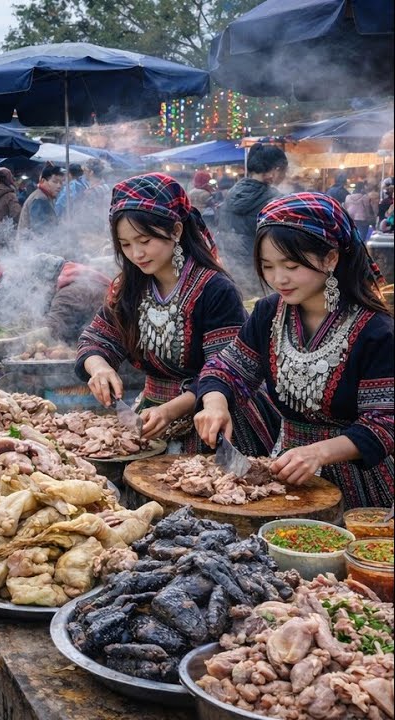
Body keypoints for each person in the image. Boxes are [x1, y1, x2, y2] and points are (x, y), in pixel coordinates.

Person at [196, 193, 392, 510]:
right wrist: (215, 403)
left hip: (361, 489)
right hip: (284, 476)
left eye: (291, 265)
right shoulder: (269, 312)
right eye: (268, 266)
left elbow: (384, 423)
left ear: (330, 258)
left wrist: (319, 452)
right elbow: (227, 370)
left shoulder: (376, 331)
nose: (278, 279)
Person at [77, 173, 278, 456]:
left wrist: (171, 410)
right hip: (152, 417)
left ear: (176, 231)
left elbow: (224, 371)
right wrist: (99, 368)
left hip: (211, 419)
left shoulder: (215, 290)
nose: (136, 253)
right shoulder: (129, 287)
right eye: (125, 244)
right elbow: (97, 339)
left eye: (144, 240)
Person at [0, 252, 111, 346]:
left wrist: (10, 342)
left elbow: (51, 329)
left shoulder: (70, 293)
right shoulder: (75, 275)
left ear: (44, 280)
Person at [218, 143, 287, 296]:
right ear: (275, 171)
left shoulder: (231, 194)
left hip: (230, 273)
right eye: (284, 171)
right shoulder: (275, 201)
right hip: (261, 277)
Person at [17, 165, 64, 239]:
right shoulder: (40, 199)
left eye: (61, 182)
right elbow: (42, 232)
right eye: (55, 181)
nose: (59, 186)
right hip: (31, 248)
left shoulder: (46, 196)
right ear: (43, 181)